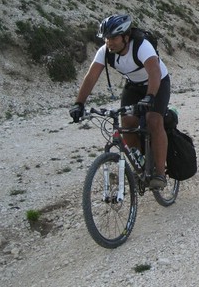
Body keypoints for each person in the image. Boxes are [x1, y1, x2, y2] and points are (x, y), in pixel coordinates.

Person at [69, 14, 171, 189]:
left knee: (153, 120)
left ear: (126, 36)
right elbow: (91, 77)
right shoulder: (105, 52)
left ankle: (160, 174)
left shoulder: (141, 46)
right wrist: (79, 103)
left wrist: (150, 97)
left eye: (114, 38)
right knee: (127, 123)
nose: (109, 42)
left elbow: (154, 72)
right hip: (133, 86)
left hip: (158, 83)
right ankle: (141, 166)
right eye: (106, 38)